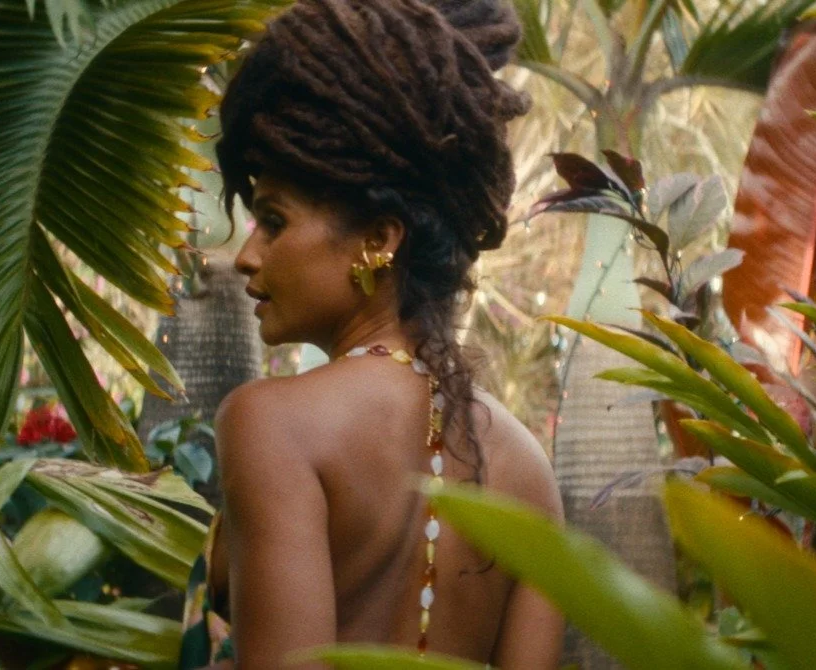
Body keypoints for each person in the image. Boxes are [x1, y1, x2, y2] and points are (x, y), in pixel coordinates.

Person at [176, 0, 565, 667]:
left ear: (379, 240)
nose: (247, 254)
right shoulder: (530, 472)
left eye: (273, 220)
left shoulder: (274, 425)